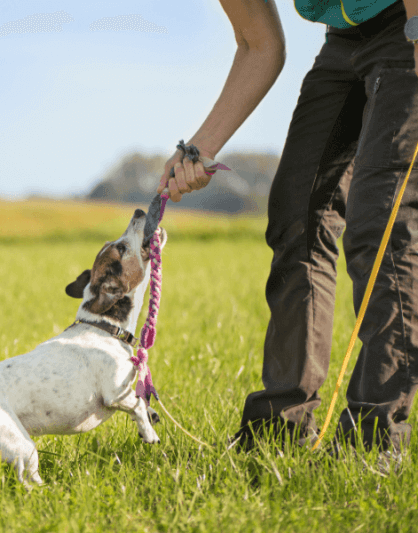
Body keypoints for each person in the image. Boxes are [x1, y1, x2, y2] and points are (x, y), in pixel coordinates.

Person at [157, 0, 418, 455]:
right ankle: (280, 429)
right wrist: (199, 147)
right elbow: (258, 44)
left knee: (381, 225)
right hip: (345, 40)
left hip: (405, 20)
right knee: (297, 216)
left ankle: (375, 440)